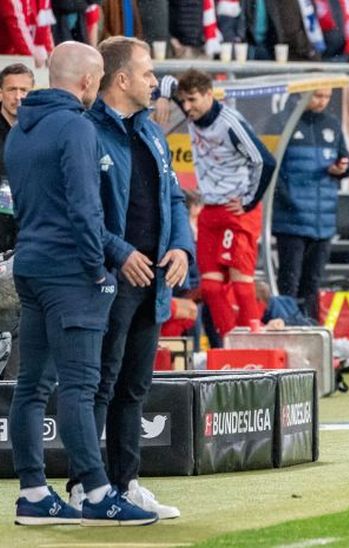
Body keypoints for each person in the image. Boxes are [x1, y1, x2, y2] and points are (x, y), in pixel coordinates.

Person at [6, 41, 157, 526]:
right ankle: (95, 493)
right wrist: (99, 267)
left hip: (30, 266)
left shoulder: (19, 130)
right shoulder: (75, 126)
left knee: (31, 386)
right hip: (72, 272)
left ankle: (32, 491)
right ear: (90, 81)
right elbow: (84, 207)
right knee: (79, 386)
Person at [62, 36, 194, 519]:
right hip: (106, 280)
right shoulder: (85, 132)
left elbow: (175, 199)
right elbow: (78, 210)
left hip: (152, 281)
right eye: (147, 73)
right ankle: (84, 486)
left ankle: (125, 483)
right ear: (121, 80)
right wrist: (119, 253)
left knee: (134, 387)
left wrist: (181, 246)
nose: (155, 81)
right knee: (99, 383)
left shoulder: (152, 131)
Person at [158, 69, 276, 337]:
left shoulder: (230, 123)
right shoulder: (191, 110)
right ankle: (228, 342)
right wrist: (166, 97)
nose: (186, 107)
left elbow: (265, 160)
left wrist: (248, 202)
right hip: (210, 208)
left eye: (192, 100)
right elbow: (166, 80)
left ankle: (251, 340)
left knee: (241, 283)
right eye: (183, 101)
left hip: (237, 211)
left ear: (209, 95)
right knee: (210, 287)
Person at [272, 88, 349, 322]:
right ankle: (286, 331)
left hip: (323, 219)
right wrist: (288, 201)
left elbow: (347, 162)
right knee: (289, 282)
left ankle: (311, 331)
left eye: (326, 97)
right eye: (317, 96)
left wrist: (342, 168)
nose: (322, 102)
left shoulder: (332, 124)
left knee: (312, 284)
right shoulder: (281, 122)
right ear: (302, 94)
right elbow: (272, 171)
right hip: (291, 219)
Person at [0, 64, 34, 381]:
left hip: (27, 249)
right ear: (1, 93)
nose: (19, 97)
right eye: (12, 89)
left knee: (22, 342)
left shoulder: (38, 134)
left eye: (25, 90)